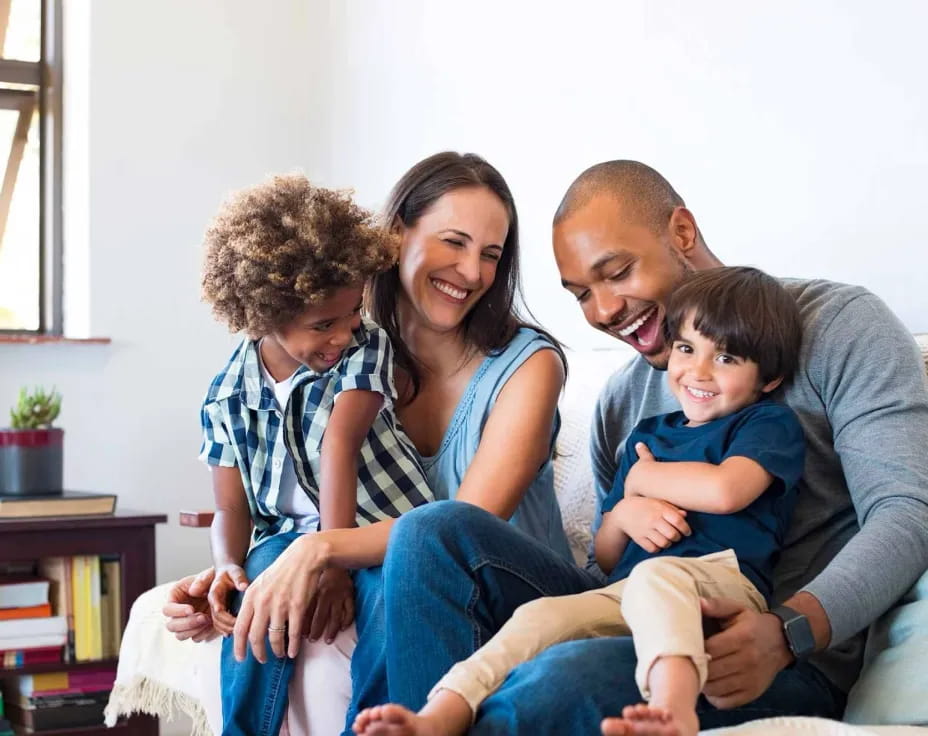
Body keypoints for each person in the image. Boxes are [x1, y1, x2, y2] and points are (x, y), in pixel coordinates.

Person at [375, 160, 928, 734]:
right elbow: (608, 567)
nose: (605, 311)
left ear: (681, 234)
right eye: (581, 294)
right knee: (431, 531)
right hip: (634, 608)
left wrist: (789, 631)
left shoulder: (839, 326)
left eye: (617, 272)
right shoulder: (623, 401)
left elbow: (906, 513)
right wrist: (623, 514)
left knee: (560, 679)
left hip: (770, 653)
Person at [163, 152, 571, 735]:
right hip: (395, 565)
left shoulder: (527, 367)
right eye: (454, 242)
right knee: (274, 571)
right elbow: (269, 491)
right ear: (397, 233)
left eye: (490, 254)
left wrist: (321, 550)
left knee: (413, 552)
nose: (473, 272)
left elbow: (461, 528)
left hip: (504, 586)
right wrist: (232, 575)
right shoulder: (342, 346)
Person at [352, 266, 806, 736]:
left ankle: (674, 709)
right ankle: (440, 714)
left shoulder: (765, 424)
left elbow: (726, 490)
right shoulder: (648, 436)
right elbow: (607, 555)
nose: (699, 371)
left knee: (658, 575)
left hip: (721, 586)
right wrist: (626, 510)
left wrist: (644, 479)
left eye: (727, 358)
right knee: (540, 616)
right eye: (687, 349)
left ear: (768, 378)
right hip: (626, 592)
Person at [198, 175, 434, 735]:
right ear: (263, 315)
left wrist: (331, 560)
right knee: (258, 590)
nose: (343, 333)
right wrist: (227, 566)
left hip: (383, 528)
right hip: (285, 538)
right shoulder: (226, 394)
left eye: (352, 312)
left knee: (388, 602)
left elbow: (339, 443)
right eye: (322, 324)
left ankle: (374, 727)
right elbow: (231, 509)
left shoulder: (365, 346)